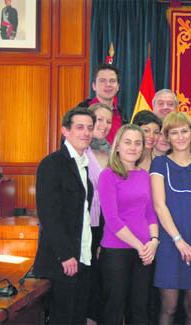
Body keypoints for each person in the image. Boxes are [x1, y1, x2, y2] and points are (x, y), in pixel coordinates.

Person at [150, 112, 191, 325]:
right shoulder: (159, 164)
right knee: (169, 308)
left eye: (184, 131)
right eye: (174, 132)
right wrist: (178, 240)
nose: (180, 137)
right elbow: (160, 206)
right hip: (170, 243)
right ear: (167, 137)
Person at [34, 106, 95, 324]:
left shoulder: (83, 165)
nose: (85, 132)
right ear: (65, 131)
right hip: (63, 261)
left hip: (82, 257)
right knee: (63, 319)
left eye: (89, 128)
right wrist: (65, 255)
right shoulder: (52, 164)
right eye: (79, 127)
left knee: (78, 317)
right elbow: (49, 215)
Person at [98, 124, 159, 324]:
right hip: (117, 251)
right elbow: (113, 219)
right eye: (127, 142)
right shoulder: (108, 175)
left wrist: (154, 241)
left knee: (140, 309)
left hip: (144, 252)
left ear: (143, 148)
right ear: (117, 146)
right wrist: (140, 246)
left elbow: (151, 213)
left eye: (137, 143)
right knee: (114, 308)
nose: (133, 147)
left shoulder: (143, 175)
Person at [84, 103, 113, 324]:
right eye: (99, 120)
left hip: (110, 227)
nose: (104, 125)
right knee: (89, 283)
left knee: (106, 285)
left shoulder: (113, 151)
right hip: (87, 228)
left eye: (108, 121)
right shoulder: (81, 150)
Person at [78, 63, 126, 143]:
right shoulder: (81, 112)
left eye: (112, 81)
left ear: (118, 87)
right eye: (102, 81)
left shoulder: (122, 116)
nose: (108, 85)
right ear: (94, 86)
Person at [152, 89, 178, 156]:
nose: (165, 107)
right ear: (153, 107)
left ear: (176, 108)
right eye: (161, 104)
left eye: (170, 104)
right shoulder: (143, 130)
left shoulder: (183, 130)